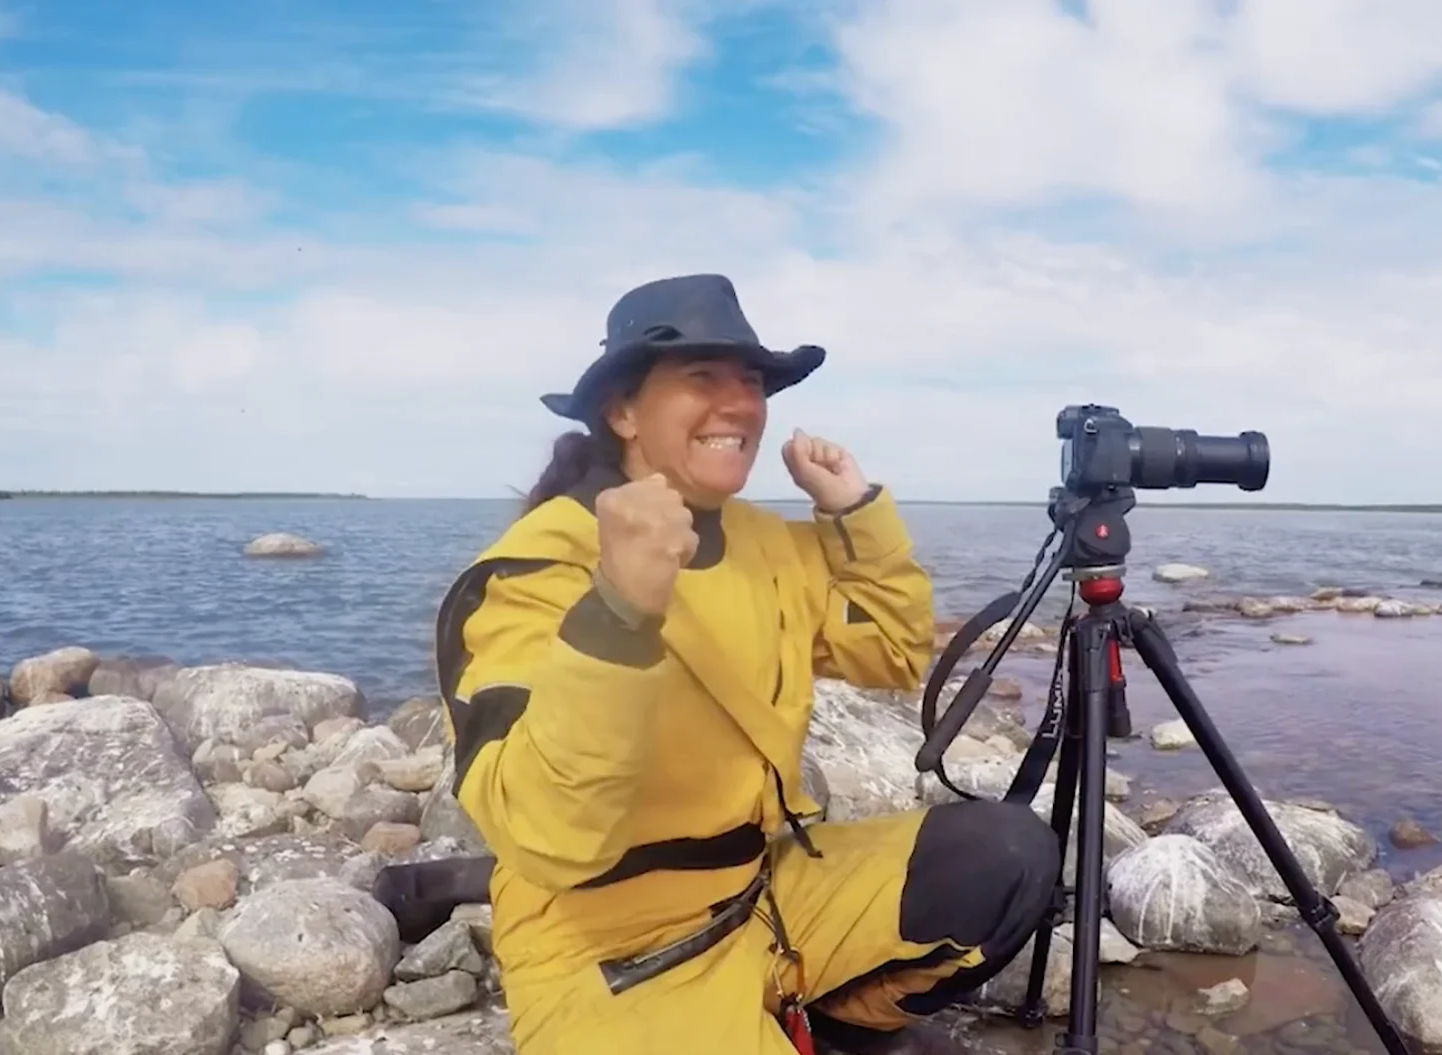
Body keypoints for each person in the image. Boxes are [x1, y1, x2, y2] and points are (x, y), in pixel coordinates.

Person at [429, 274, 1062, 1055]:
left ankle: (833, 1018)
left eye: (752, 381)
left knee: (1009, 853)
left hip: (766, 894)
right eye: (702, 377)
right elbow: (543, 830)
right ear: (621, 411)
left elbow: (893, 650)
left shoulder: (768, 544)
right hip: (611, 950)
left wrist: (854, 514)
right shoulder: (536, 567)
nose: (740, 404)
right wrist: (618, 610)